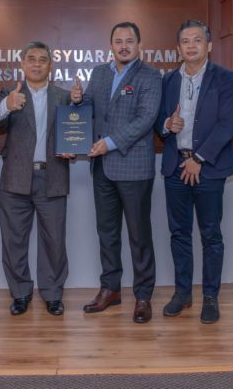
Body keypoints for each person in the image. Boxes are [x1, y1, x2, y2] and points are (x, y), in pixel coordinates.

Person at [72, 21, 162, 324]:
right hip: (102, 169)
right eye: (118, 41)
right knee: (107, 233)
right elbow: (88, 107)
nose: (123, 46)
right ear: (111, 45)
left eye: (129, 41)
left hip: (133, 167)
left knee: (139, 235)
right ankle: (110, 289)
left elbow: (146, 118)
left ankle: (143, 295)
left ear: (139, 45)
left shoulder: (150, 76)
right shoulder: (100, 73)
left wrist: (108, 143)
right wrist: (77, 99)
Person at [155, 20, 233, 324]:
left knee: (211, 235)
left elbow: (227, 124)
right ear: (178, 48)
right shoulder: (167, 81)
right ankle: (182, 293)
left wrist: (199, 158)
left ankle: (211, 296)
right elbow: (157, 120)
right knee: (179, 234)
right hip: (175, 167)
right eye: (186, 41)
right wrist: (168, 125)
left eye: (197, 40)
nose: (191, 46)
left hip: (209, 169)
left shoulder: (224, 78)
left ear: (209, 45)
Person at [0, 41, 72, 316]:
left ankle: (52, 294)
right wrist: (7, 106)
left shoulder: (64, 97)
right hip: (15, 179)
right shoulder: (10, 94)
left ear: (51, 65)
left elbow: (74, 133)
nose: (37, 64)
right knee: (13, 241)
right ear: (23, 64)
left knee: (54, 241)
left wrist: (73, 149)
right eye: (32, 59)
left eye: (42, 60)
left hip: (53, 176)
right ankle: (20, 293)